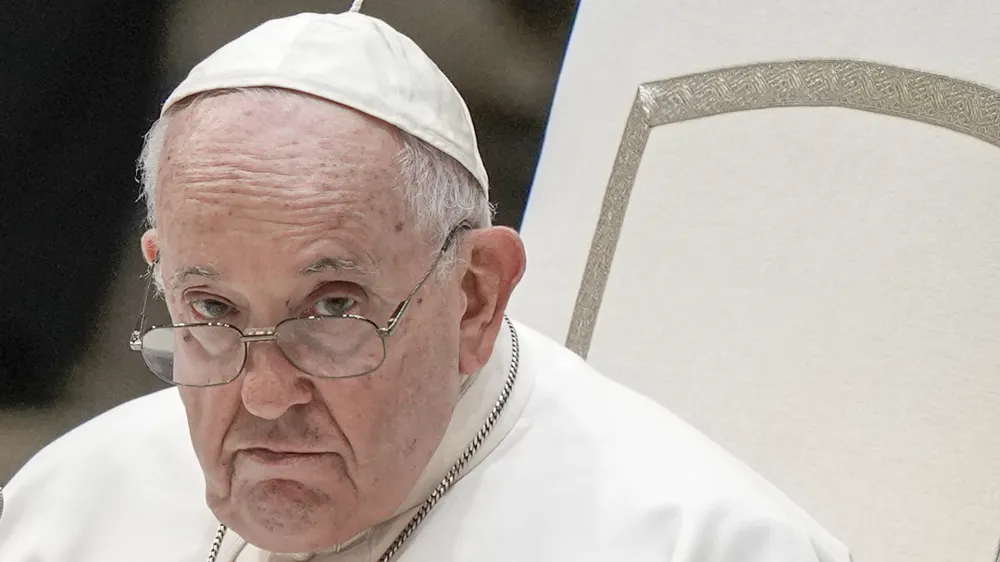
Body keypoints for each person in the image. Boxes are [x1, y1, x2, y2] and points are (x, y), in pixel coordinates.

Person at [0, 5, 852, 562]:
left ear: (476, 295)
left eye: (331, 309)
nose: (263, 397)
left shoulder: (696, 542)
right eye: (213, 312)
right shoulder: (71, 507)